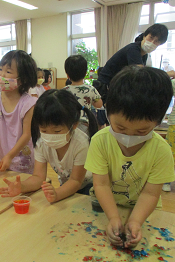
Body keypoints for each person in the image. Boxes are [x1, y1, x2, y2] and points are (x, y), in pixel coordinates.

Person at [84, 66, 174, 249]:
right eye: (121, 128)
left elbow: (150, 193)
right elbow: (101, 184)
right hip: (105, 207)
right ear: (108, 112)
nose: (129, 137)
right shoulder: (100, 141)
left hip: (144, 213)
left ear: (159, 120)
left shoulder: (162, 150)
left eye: (142, 131)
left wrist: (135, 221)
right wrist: (114, 217)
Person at [0, 89, 98, 202]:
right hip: (67, 187)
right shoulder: (41, 142)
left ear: (73, 125)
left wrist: (57, 194)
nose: (50, 136)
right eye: (44, 130)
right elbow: (38, 177)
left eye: (57, 131)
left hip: (91, 188)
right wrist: (22, 187)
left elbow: (76, 181)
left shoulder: (81, 143)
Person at [0, 50, 37, 174]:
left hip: (23, 161)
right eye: (0, 69)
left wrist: (10, 156)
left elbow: (26, 134)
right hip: (1, 160)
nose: (1, 75)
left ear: (22, 79)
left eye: (8, 71)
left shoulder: (28, 103)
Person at [97, 23, 169, 104]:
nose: (152, 42)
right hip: (105, 89)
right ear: (144, 36)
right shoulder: (133, 49)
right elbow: (140, 74)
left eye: (156, 41)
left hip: (117, 88)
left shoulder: (144, 55)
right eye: (151, 38)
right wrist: (166, 74)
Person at [64, 55, 103, 134]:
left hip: (69, 125)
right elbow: (99, 105)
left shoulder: (64, 91)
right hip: (86, 125)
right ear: (85, 73)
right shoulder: (90, 89)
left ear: (67, 75)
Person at [163, 78, 175, 192]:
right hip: (174, 123)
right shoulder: (173, 83)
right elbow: (164, 98)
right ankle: (166, 181)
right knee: (170, 152)